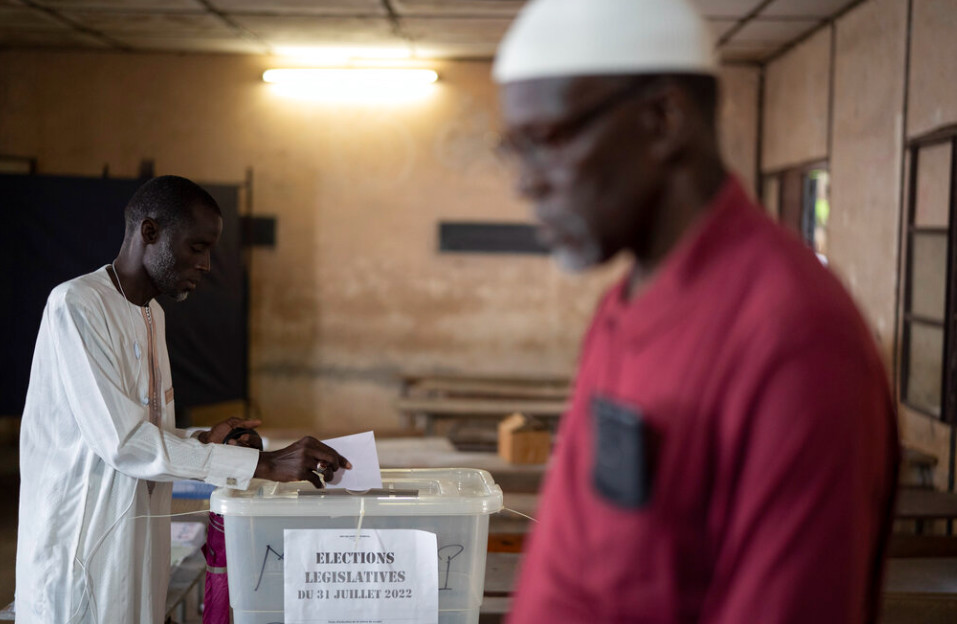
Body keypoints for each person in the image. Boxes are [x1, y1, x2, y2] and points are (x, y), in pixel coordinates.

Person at [492, 1, 899, 622]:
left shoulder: (793, 338)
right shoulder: (621, 306)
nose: (526, 183)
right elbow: (578, 564)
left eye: (545, 141)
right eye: (512, 150)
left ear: (663, 119)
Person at [15, 175, 351, 624]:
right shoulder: (77, 305)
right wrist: (264, 465)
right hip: (84, 548)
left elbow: (140, 430)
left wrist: (204, 441)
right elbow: (123, 443)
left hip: (139, 545)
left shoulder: (151, 313)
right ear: (149, 233)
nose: (208, 264)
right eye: (197, 247)